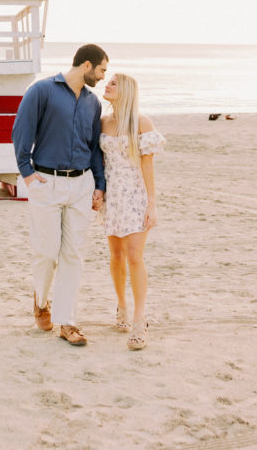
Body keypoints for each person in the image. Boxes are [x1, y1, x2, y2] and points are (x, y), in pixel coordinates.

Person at [12, 43, 108, 347]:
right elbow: (20, 132)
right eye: (102, 70)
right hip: (46, 182)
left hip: (81, 184)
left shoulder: (93, 104)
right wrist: (27, 173)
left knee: (73, 255)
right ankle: (41, 301)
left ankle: (68, 322)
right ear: (87, 65)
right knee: (47, 252)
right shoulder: (41, 91)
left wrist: (99, 185)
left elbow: (93, 148)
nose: (104, 77)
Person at [97, 73, 165, 351]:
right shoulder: (102, 122)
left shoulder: (141, 123)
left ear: (125, 90)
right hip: (112, 196)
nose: (107, 85)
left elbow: (148, 166)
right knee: (116, 255)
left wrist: (152, 203)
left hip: (135, 194)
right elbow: (97, 161)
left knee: (135, 256)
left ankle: (140, 319)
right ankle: (122, 308)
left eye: (113, 83)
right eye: (107, 81)